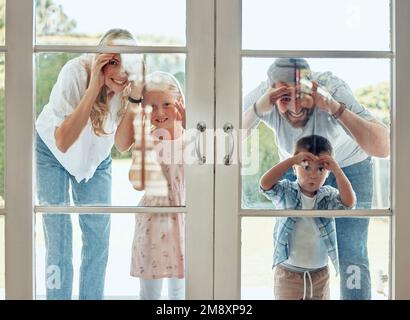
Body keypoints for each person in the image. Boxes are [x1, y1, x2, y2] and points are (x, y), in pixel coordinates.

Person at [243, 58, 390, 299]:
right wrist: (259, 108)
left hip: (350, 164)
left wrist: (334, 107)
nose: (295, 107)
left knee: (352, 250)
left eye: (301, 95)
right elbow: (226, 138)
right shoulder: (265, 95)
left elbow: (384, 147)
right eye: (285, 99)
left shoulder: (331, 88)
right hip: (300, 168)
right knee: (293, 244)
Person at [35, 29, 144, 300]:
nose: (120, 72)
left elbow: (120, 144)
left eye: (126, 63)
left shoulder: (128, 88)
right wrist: (94, 85)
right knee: (58, 237)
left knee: (98, 239)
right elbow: (62, 141)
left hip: (96, 159)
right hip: (52, 153)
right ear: (100, 60)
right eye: (113, 62)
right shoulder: (75, 73)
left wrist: (134, 99)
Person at [260, 135, 356, 300]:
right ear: (294, 168)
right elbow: (265, 184)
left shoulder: (328, 196)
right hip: (288, 273)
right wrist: (292, 160)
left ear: (327, 172)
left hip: (319, 275)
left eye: (320, 169)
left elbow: (349, 203)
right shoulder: (286, 192)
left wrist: (337, 170)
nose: (313, 175)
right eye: (306, 167)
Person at [127, 71, 186, 300]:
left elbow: (206, 170)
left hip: (182, 223)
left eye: (167, 104)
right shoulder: (148, 141)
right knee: (149, 293)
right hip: (153, 226)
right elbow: (137, 183)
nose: (160, 112)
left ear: (179, 104)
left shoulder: (190, 138)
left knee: (179, 293)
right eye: (152, 106)